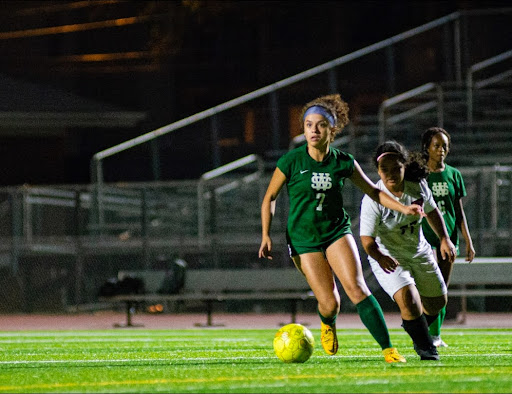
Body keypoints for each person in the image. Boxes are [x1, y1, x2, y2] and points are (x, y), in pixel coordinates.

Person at [258, 94, 425, 363]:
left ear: (331, 130)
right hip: (303, 239)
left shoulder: (343, 161)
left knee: (358, 289)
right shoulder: (291, 161)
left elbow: (373, 191)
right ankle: (327, 321)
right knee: (330, 303)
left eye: (320, 124)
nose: (313, 129)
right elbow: (269, 198)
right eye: (308, 124)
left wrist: (403, 207)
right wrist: (265, 235)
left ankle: (388, 349)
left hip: (336, 232)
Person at [359, 140, 458, 361]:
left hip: (419, 251)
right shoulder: (372, 199)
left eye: (396, 168)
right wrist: (380, 257)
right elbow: (367, 240)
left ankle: (413, 325)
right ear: (378, 171)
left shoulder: (418, 186)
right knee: (409, 298)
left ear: (405, 166)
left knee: (437, 302)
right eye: (385, 170)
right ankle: (426, 348)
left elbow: (432, 212)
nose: (390, 174)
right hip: (388, 256)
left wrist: (444, 239)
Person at [421, 127, 475, 347]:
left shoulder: (454, 174)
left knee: (442, 289)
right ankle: (423, 330)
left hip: (449, 238)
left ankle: (434, 335)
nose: (441, 150)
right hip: (425, 237)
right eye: (436, 146)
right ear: (427, 148)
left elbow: (459, 211)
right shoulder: (420, 175)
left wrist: (467, 240)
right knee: (427, 289)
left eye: (444, 146)